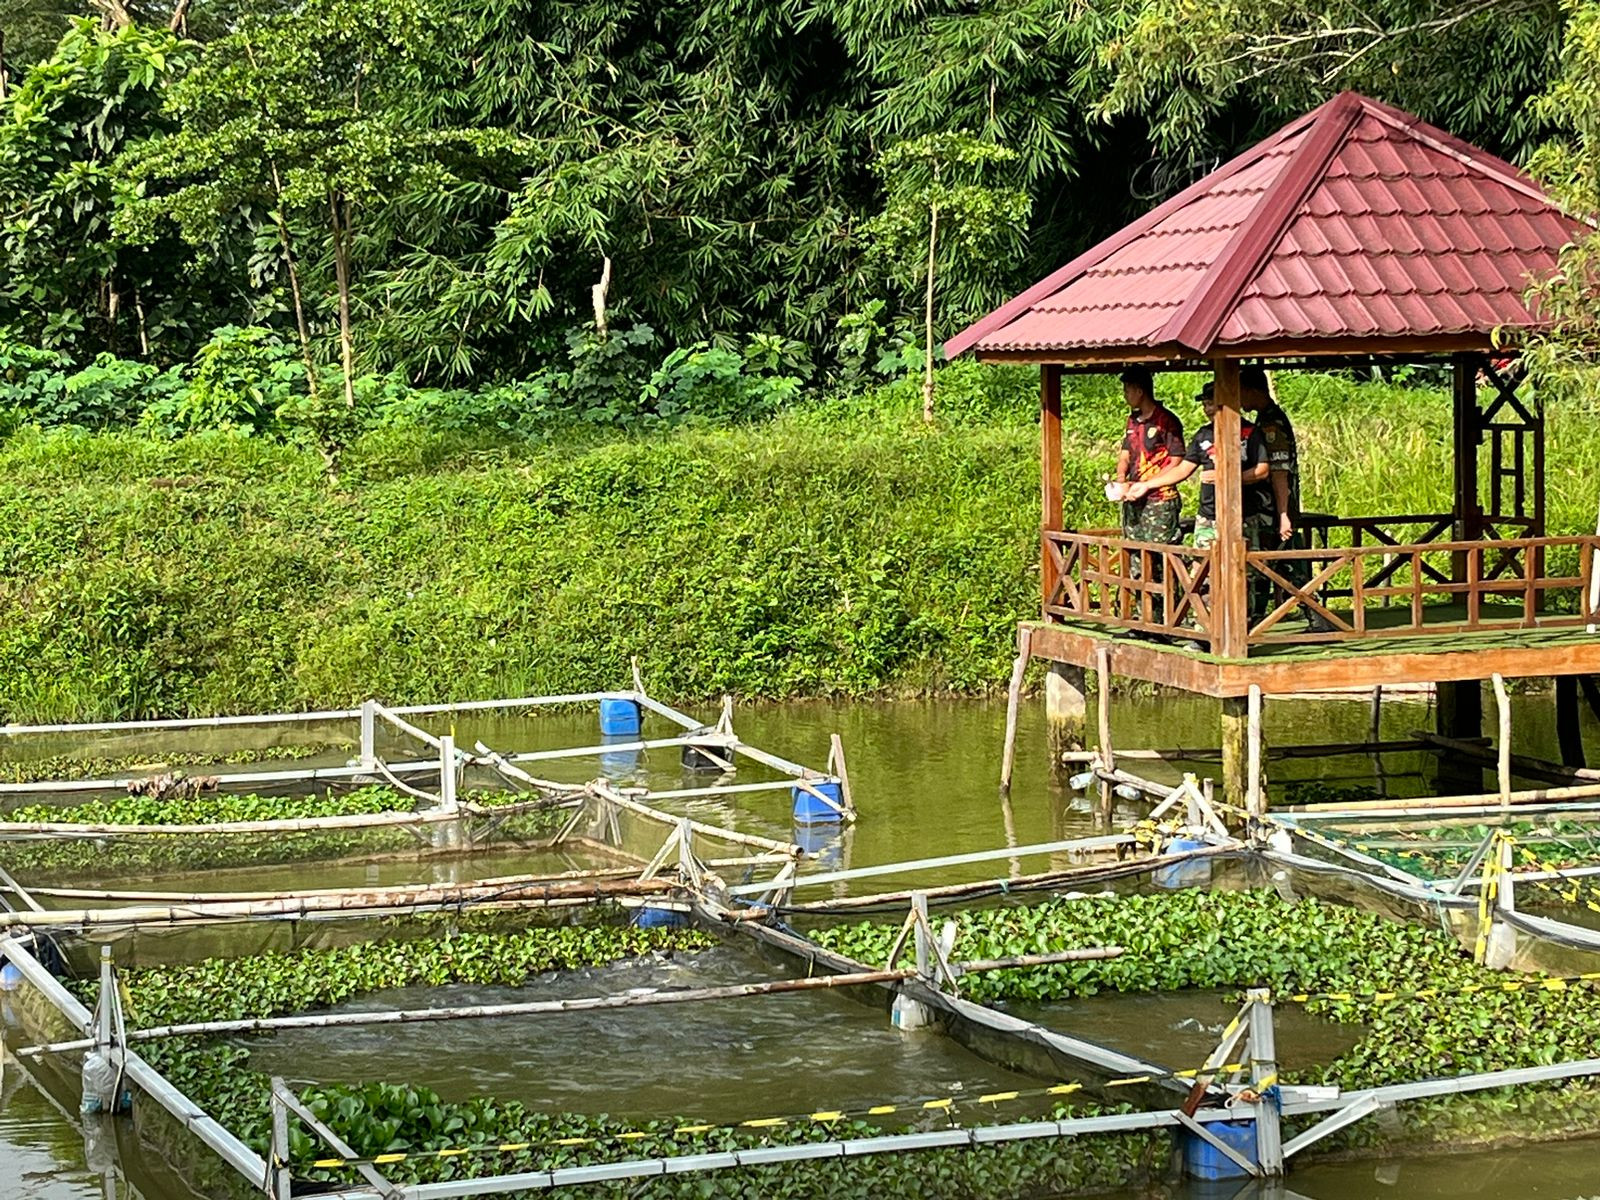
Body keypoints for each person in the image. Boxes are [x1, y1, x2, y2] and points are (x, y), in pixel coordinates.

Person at [1125, 382, 1274, 646]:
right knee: (1201, 573)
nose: (1206, 409)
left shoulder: (1251, 432)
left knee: (1246, 574)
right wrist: (1146, 484)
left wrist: (1229, 477)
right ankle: (1204, 630)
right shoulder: (1203, 435)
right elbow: (1183, 469)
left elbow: (1262, 470)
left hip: (1244, 515)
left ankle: (1245, 631)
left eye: (1210, 403)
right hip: (1208, 515)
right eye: (1204, 404)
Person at [1240, 366, 1334, 633]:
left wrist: (1283, 513)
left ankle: (1315, 616)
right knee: (1273, 565)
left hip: (1275, 508)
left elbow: (1279, 472)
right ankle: (1257, 621)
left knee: (1281, 564)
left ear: (1251, 390)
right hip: (1269, 507)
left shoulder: (1271, 424)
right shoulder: (1263, 420)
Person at [1112, 366, 1185, 549]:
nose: (1125, 396)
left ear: (1139, 391)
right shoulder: (1133, 420)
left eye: (1127, 391)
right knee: (1135, 552)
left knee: (1162, 554)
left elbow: (1176, 461)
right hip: (1133, 496)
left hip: (1160, 498)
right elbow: (1125, 455)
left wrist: (1149, 483)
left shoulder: (1166, 421)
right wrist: (1121, 479)